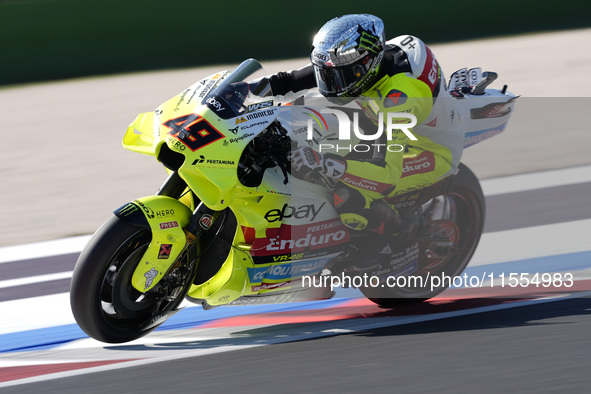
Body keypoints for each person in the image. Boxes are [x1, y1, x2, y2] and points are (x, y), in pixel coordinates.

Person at [268, 14, 464, 238]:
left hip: (427, 151)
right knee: (299, 115)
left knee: (348, 197)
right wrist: (236, 92)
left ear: (367, 65)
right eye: (327, 75)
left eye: (340, 76)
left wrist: (324, 162)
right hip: (378, 120)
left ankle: (401, 235)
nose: (332, 83)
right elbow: (289, 81)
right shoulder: (358, 60)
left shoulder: (398, 101)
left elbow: (387, 176)